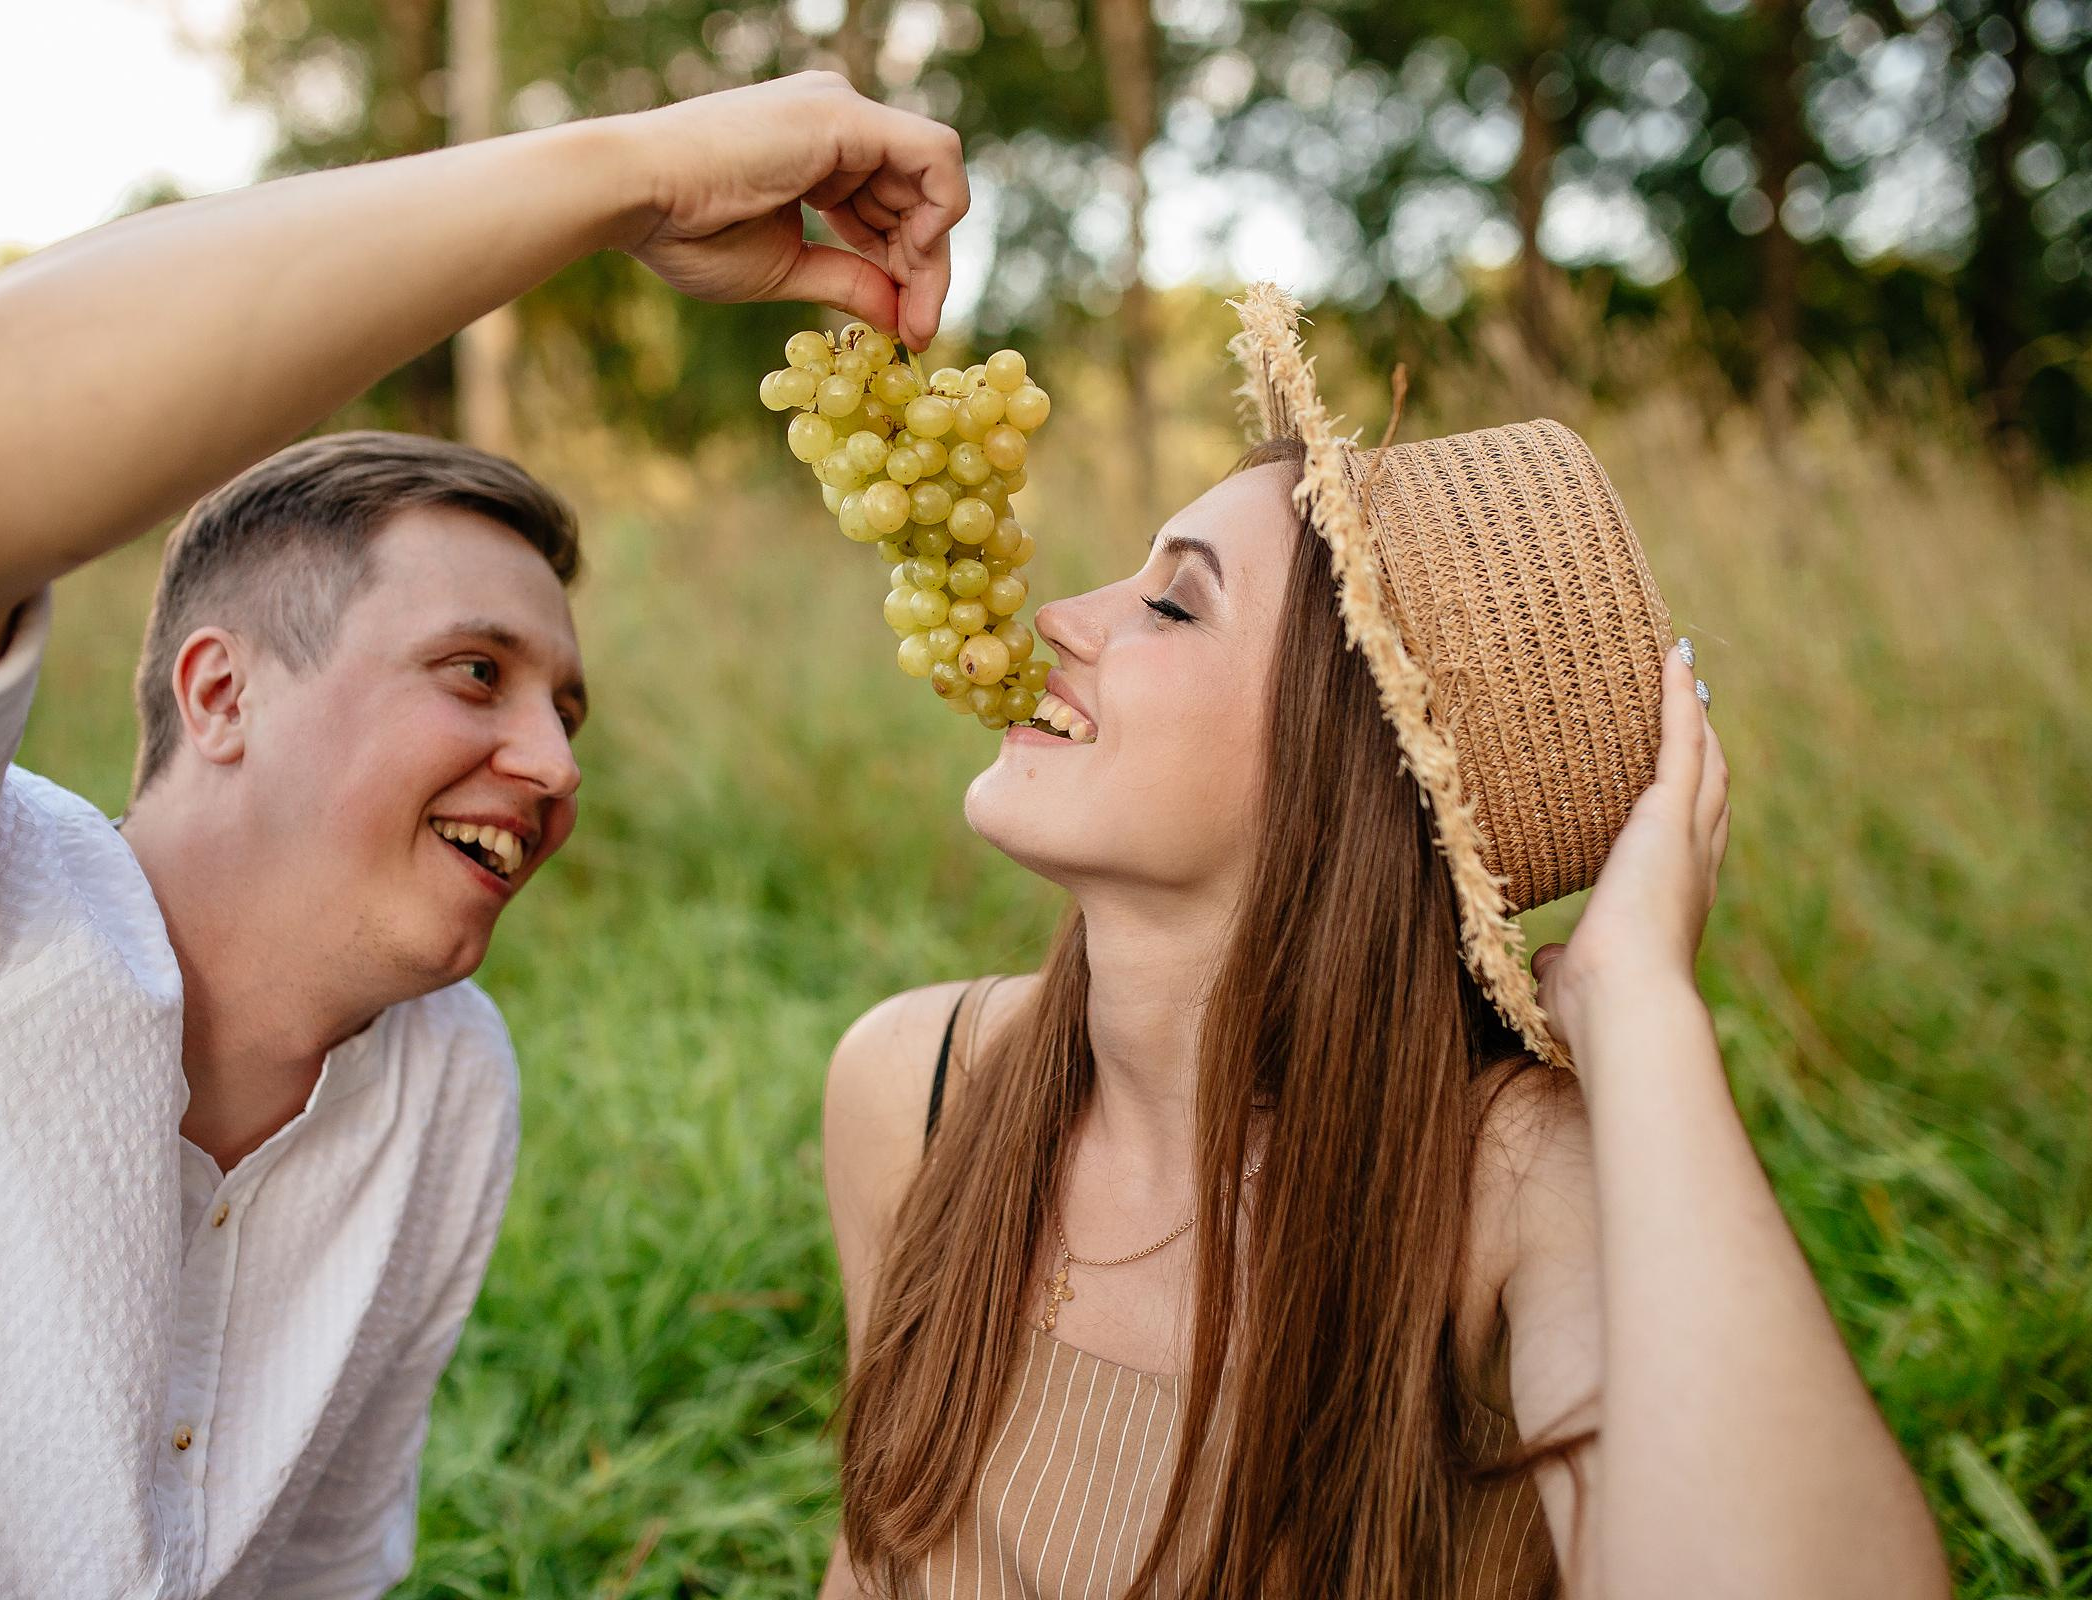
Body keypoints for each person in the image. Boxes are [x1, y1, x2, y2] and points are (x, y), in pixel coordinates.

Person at [0, 73, 965, 1599]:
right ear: (224, 692)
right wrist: (634, 174)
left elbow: (314, 1569)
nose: (554, 763)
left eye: (568, 709)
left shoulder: (444, 1084)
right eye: (474, 673)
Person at [819, 288, 1949, 1599]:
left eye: (1173, 607)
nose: (1059, 615)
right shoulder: (918, 1085)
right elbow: (873, 1568)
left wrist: (1637, 1001)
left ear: (1351, 765)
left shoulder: (1516, 1188)